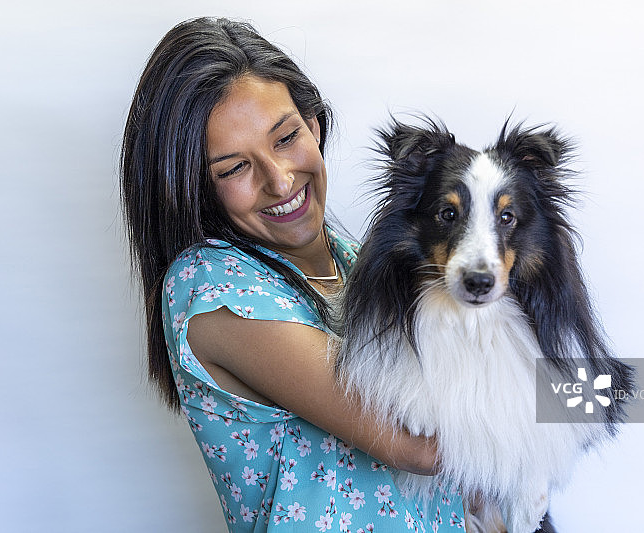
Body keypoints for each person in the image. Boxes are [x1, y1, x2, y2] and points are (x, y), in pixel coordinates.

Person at [120, 17, 465, 531]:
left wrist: (596, 396)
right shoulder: (211, 288)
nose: (280, 181)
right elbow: (423, 444)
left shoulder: (359, 260)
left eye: (285, 138)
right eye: (234, 168)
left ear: (314, 124)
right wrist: (588, 396)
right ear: (193, 187)